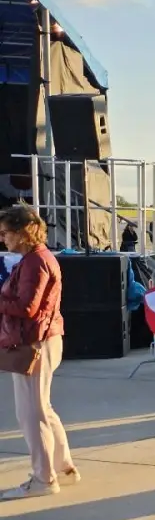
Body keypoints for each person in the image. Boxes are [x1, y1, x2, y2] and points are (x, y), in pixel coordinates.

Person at [0, 205, 76, 500]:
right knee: (42, 409)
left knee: (32, 414)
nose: (3, 238)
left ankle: (44, 478)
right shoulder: (37, 259)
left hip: (34, 342)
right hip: (42, 339)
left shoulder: (34, 262)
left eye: (6, 232)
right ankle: (62, 466)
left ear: (23, 232)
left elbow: (27, 307)